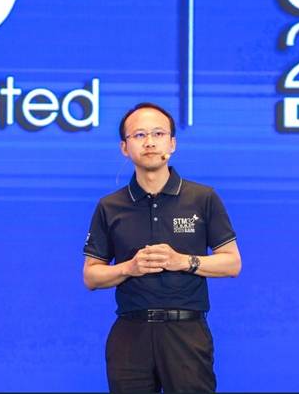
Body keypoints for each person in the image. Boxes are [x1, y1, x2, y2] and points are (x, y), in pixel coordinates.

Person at [83, 102, 241, 393]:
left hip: (186, 332)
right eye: (139, 135)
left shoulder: (202, 198)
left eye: (158, 133)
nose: (150, 142)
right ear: (124, 148)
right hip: (130, 334)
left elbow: (232, 263)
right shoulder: (109, 206)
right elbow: (91, 276)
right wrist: (129, 268)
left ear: (172, 143)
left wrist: (184, 261)